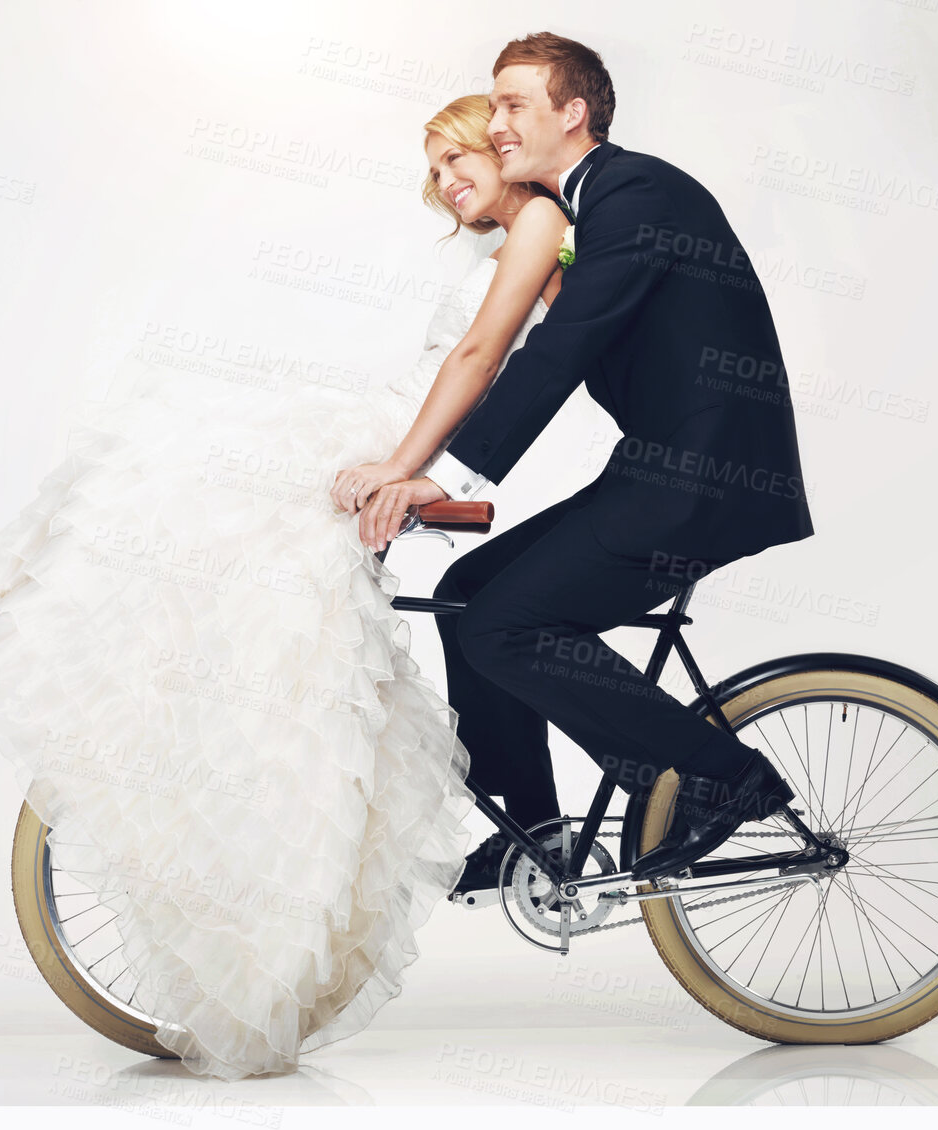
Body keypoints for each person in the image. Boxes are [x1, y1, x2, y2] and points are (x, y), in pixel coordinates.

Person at [0, 94, 570, 1079]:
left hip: (396, 438)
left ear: (517, 153)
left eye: (465, 158)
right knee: (150, 476)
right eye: (438, 167)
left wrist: (404, 466)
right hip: (395, 433)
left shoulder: (541, 218)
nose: (450, 181)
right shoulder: (507, 233)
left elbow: (476, 356)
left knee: (169, 469)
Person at [354, 33, 817, 891]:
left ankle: (717, 774)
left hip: (701, 482)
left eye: (513, 105)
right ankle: (532, 831)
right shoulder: (584, 210)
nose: (496, 124)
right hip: (656, 471)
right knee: (466, 595)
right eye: (492, 106)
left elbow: (555, 355)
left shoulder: (635, 193)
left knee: (508, 626)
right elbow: (557, 354)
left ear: (574, 113)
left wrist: (447, 476)